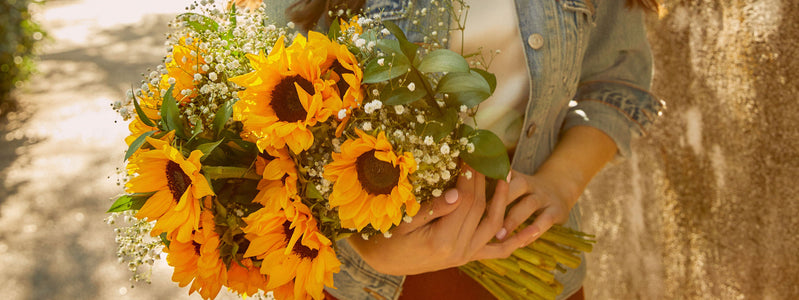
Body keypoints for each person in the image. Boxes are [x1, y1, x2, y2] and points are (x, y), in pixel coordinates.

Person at [262, 0, 664, 299]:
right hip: (364, 281)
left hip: (533, 264)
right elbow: (267, 113)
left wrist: (562, 181)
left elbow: (615, 82)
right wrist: (368, 245)